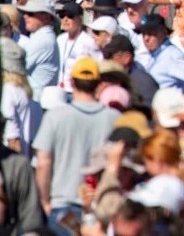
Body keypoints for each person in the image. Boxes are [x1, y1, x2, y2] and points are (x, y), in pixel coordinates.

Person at [33, 56, 120, 230]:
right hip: (101, 205)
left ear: (72, 82)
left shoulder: (54, 117)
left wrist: (43, 201)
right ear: (98, 83)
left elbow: (43, 163)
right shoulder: (114, 118)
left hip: (62, 206)